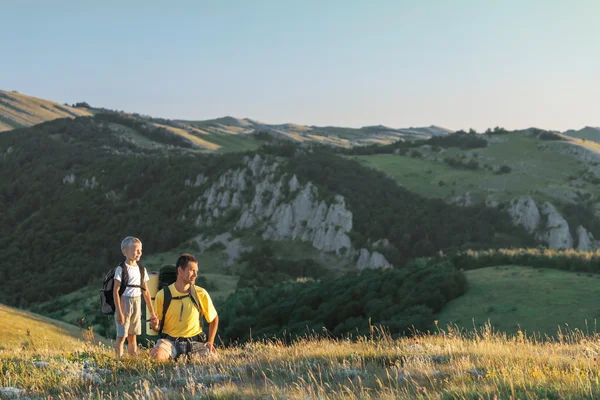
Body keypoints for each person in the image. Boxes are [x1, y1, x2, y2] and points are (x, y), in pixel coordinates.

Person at [150, 253, 219, 361]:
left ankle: (178, 359)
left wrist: (210, 342)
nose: (195, 274)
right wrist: (154, 324)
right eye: (191, 270)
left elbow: (214, 319)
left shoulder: (201, 293)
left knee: (213, 360)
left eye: (196, 271)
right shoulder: (162, 295)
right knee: (155, 356)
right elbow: (156, 328)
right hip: (169, 342)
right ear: (180, 271)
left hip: (195, 343)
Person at [113, 236, 158, 358]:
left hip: (136, 303)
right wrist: (119, 312)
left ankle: (133, 360)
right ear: (125, 251)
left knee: (133, 335)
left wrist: (152, 312)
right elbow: (116, 291)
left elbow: (146, 292)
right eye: (136, 250)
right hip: (124, 303)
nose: (139, 253)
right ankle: (119, 360)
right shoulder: (120, 269)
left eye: (140, 250)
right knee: (122, 336)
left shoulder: (142, 270)